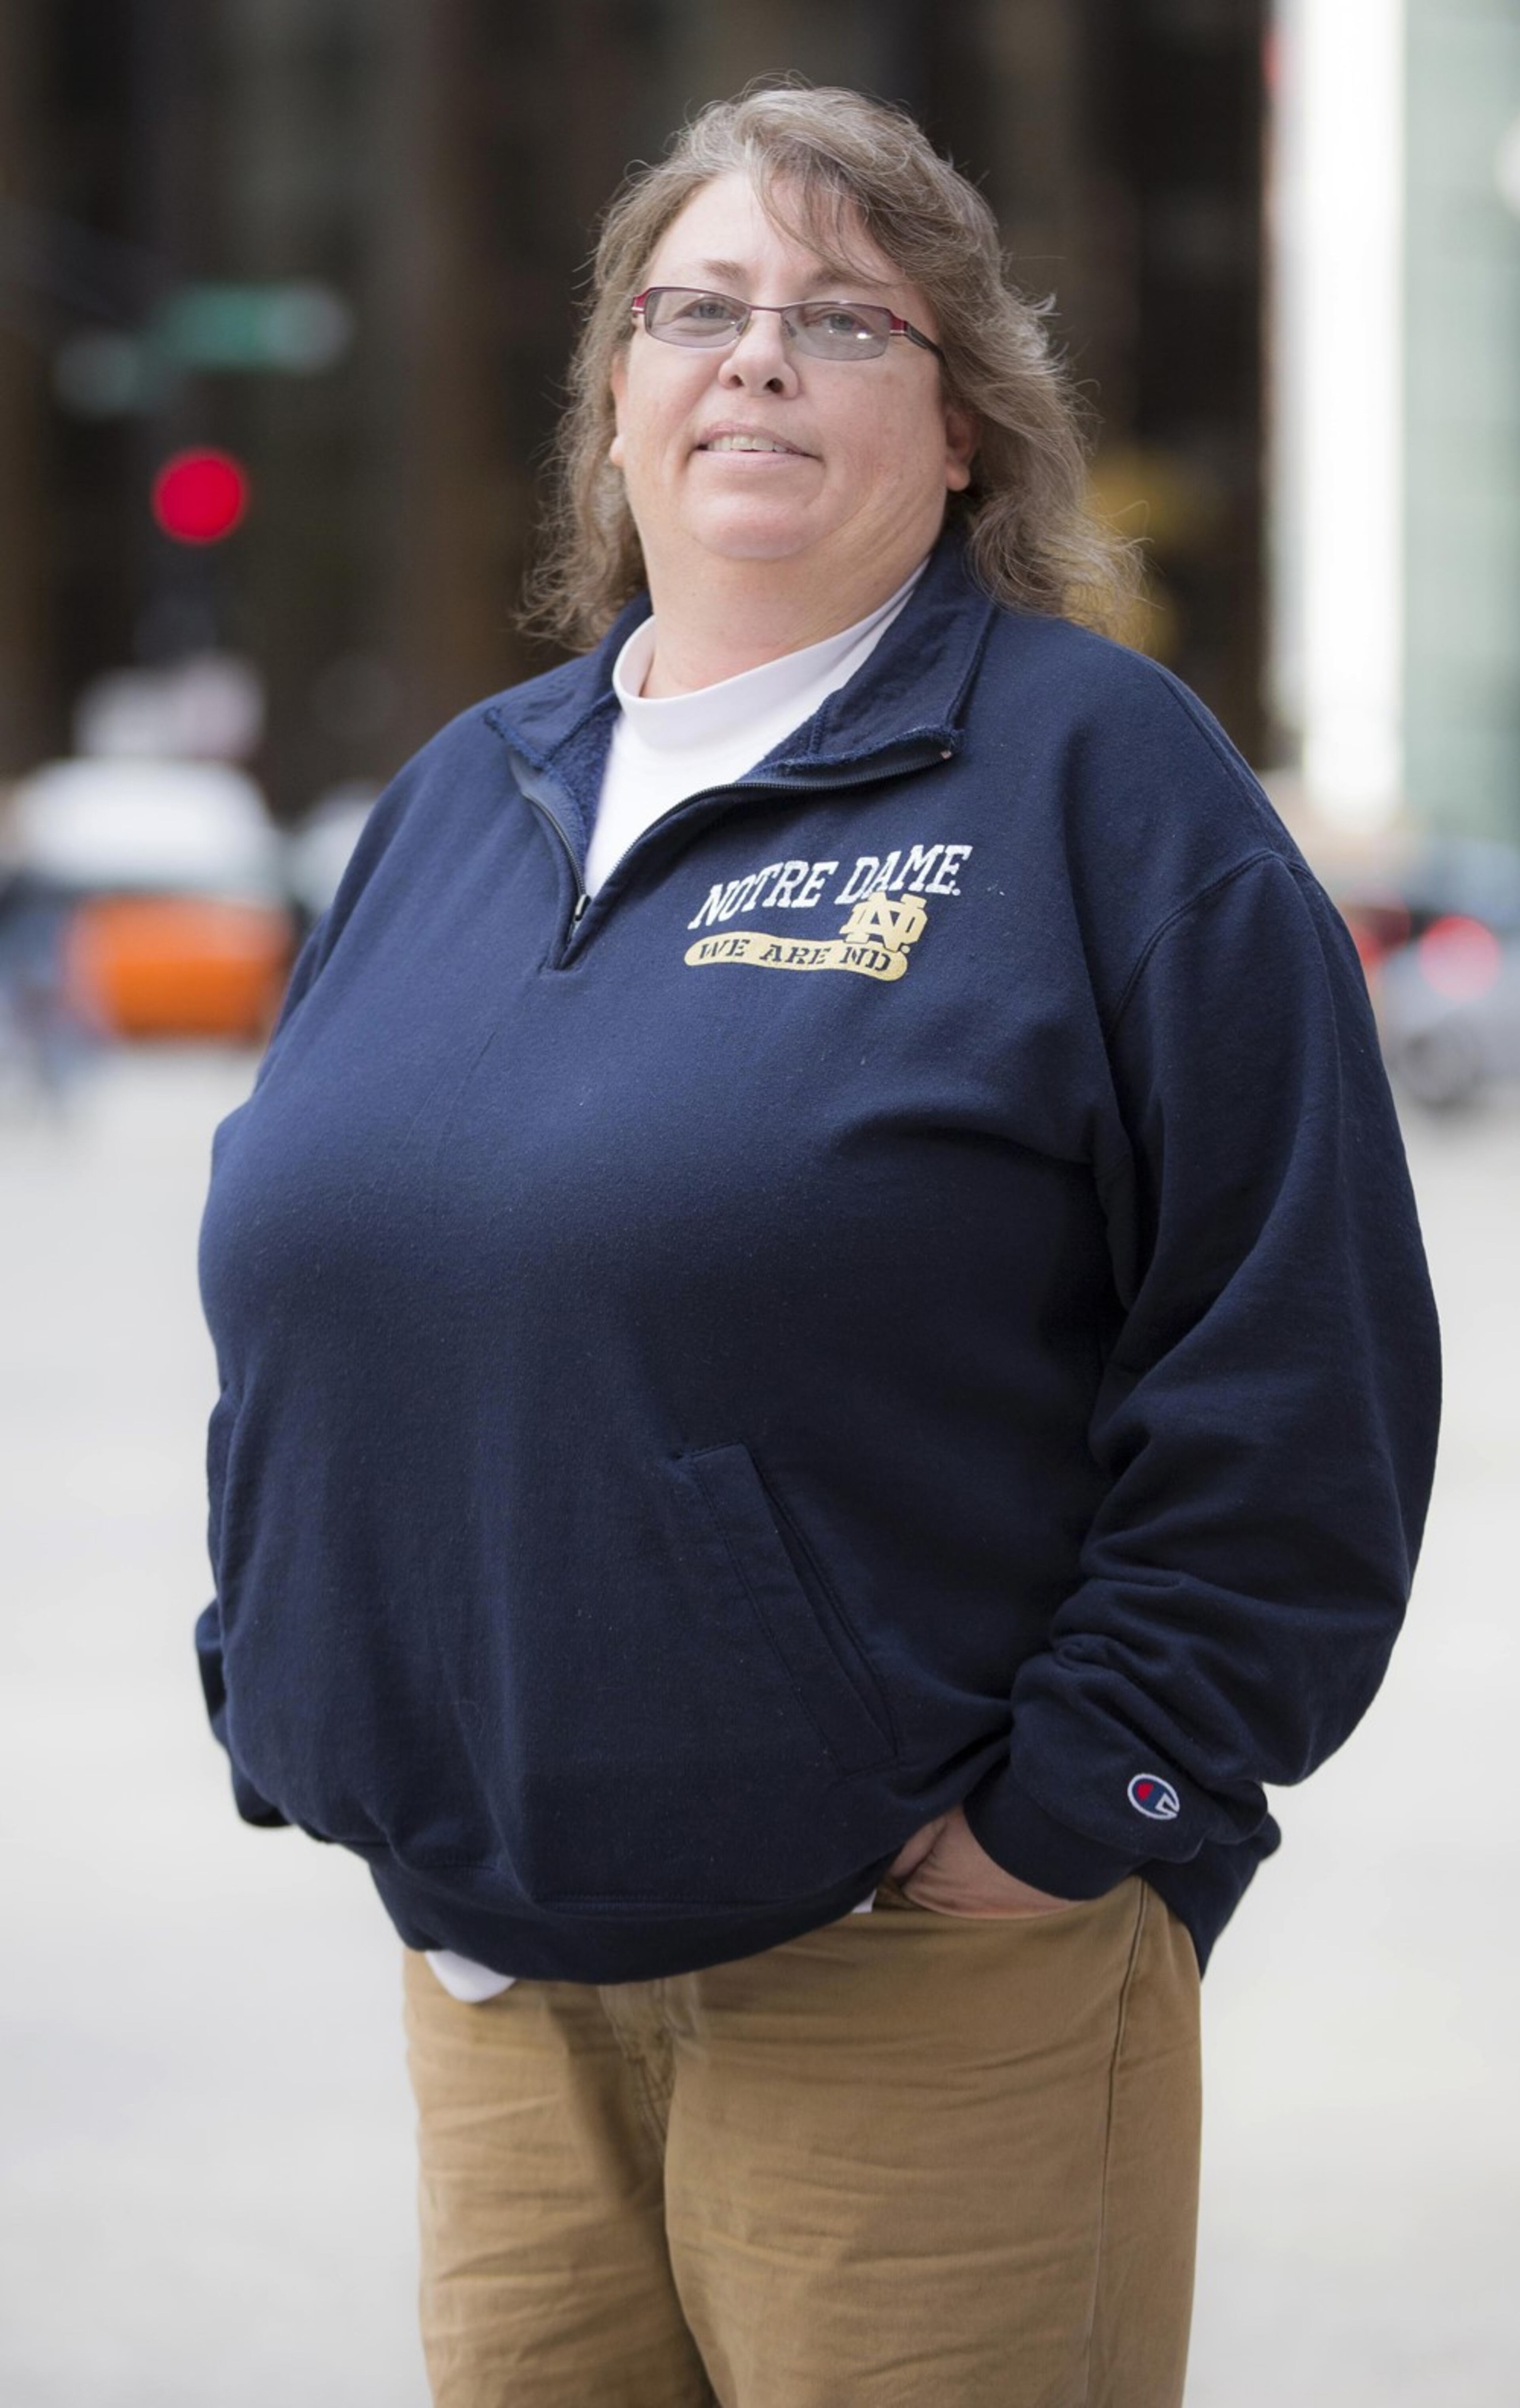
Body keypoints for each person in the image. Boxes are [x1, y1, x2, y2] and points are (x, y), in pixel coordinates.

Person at [195, 82, 1440, 2408]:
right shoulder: (468, 794)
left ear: (964, 428)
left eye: (842, 320)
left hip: (908, 1974)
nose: (756, 358)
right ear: (620, 398)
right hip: (487, 1976)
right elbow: (314, 1275)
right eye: (699, 307)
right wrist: (287, 1676)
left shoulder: (1097, 782)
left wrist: (1093, 1803)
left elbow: (1300, 1358)